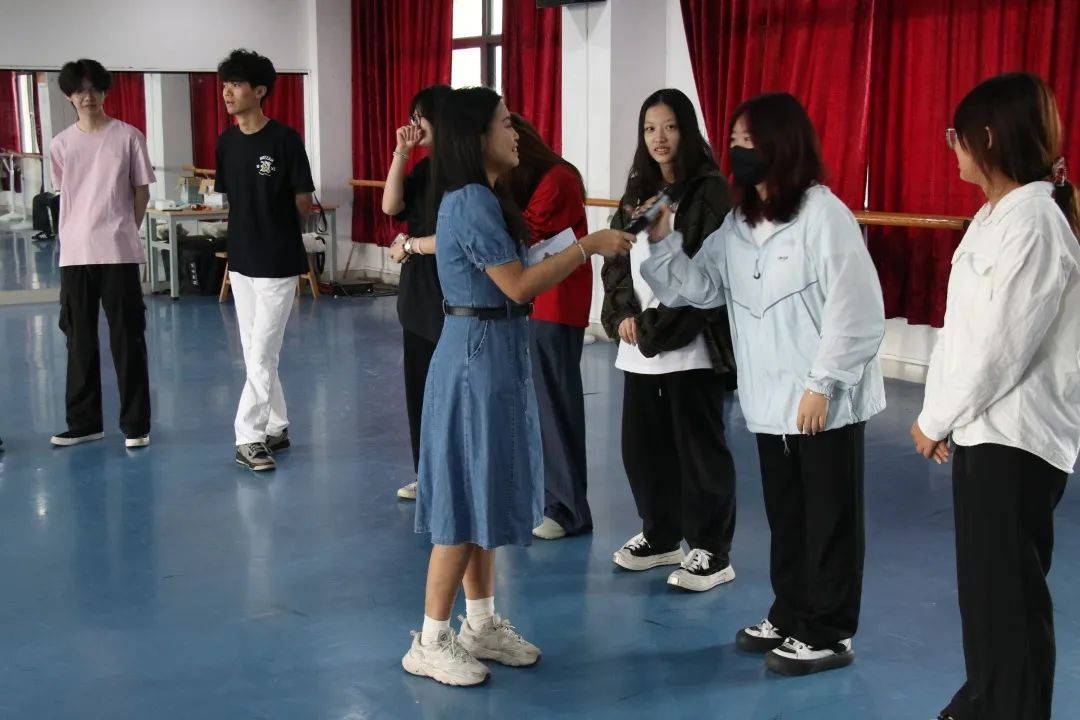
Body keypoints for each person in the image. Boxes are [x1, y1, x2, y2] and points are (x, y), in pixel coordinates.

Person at [640, 92, 885, 675]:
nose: (738, 152)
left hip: (824, 401)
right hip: (770, 399)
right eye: (734, 142)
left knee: (829, 517)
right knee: (787, 512)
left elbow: (857, 310)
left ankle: (830, 631)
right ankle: (791, 610)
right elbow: (702, 287)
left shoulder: (824, 216)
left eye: (749, 141)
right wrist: (662, 238)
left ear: (782, 144)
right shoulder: (739, 222)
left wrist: (823, 384)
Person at [401, 86, 633, 687]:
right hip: (475, 357)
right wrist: (586, 246)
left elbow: (519, 263)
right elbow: (518, 284)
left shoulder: (488, 196)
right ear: (476, 137)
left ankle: (479, 623)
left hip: (494, 351)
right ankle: (430, 639)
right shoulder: (471, 200)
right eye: (505, 123)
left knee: (482, 492)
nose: (516, 132)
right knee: (463, 499)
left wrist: (568, 247)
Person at [910, 73, 1080, 720]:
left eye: (956, 136)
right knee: (985, 592)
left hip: (1019, 440)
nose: (951, 148)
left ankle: (1012, 707)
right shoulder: (995, 217)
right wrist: (946, 417)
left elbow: (1000, 347)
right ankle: (985, 699)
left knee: (1010, 598)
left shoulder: (1034, 224)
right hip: (985, 431)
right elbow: (962, 332)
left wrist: (935, 419)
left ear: (987, 137)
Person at [602, 89, 738, 592]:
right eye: (649, 129)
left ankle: (712, 550)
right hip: (638, 345)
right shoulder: (638, 190)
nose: (658, 138)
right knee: (642, 449)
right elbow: (616, 260)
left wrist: (653, 329)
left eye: (670, 127)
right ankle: (661, 536)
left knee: (699, 451)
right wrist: (622, 314)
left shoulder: (710, 192)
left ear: (688, 130)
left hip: (690, 346)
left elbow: (704, 279)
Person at [214, 49, 315, 471]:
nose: (227, 92)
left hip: (277, 260)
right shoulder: (226, 143)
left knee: (261, 353)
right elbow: (232, 199)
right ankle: (276, 425)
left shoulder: (285, 140)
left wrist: (274, 228)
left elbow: (304, 201)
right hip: (241, 260)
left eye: (236, 84)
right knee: (255, 350)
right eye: (225, 85)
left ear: (259, 91)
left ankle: (248, 437)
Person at [48, 59, 155, 449]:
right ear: (69, 96)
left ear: (105, 92)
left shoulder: (128, 137)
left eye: (94, 89)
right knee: (78, 339)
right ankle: (84, 423)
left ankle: (136, 425)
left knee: (128, 338)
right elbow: (64, 194)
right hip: (76, 253)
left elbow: (141, 192)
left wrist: (125, 228)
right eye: (79, 90)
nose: (87, 96)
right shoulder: (60, 144)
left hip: (118, 252)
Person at [498, 113, 593, 540]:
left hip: (557, 304)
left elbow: (527, 233)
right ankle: (551, 498)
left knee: (555, 405)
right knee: (540, 406)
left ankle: (568, 508)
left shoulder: (556, 179)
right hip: (540, 302)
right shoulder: (536, 180)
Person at [381, 84, 453, 500]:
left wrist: (409, 245)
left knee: (450, 391)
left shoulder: (463, 172)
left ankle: (452, 474)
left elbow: (458, 235)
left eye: (420, 117)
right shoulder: (423, 170)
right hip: (418, 291)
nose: (414, 125)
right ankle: (425, 472)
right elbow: (391, 206)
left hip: (450, 288)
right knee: (419, 388)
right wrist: (401, 153)